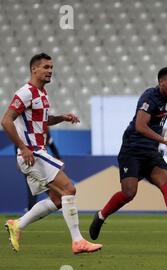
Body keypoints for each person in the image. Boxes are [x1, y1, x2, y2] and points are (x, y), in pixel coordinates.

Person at [89, 67, 167, 241]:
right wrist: (163, 140)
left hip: (151, 152)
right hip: (132, 149)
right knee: (129, 193)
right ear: (161, 83)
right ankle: (101, 216)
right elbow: (140, 126)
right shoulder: (150, 98)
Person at [1, 53, 102, 254]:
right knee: (69, 190)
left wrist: (62, 118)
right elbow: (6, 120)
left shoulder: (42, 94)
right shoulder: (26, 93)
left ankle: (17, 225)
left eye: (51, 68)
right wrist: (23, 147)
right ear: (34, 69)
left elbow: (42, 121)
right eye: (46, 67)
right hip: (33, 154)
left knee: (58, 200)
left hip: (38, 152)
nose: (50, 71)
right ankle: (78, 241)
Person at [15, 128, 61, 211]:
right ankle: (31, 209)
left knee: (44, 187)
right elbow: (18, 145)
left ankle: (32, 209)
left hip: (41, 162)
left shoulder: (46, 135)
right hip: (29, 161)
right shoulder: (27, 132)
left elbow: (52, 146)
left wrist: (59, 158)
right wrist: (18, 160)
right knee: (34, 188)